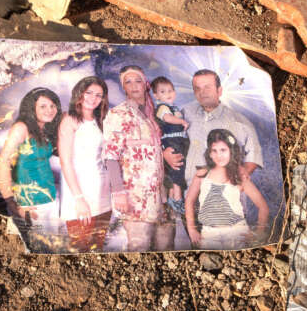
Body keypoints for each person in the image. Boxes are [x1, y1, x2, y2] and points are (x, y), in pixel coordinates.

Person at [102, 65, 173, 251]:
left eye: (138, 80)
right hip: (135, 196)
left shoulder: (152, 114)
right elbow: (110, 155)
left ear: (146, 84)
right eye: (128, 82)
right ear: (123, 87)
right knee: (139, 246)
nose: (133, 86)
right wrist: (118, 192)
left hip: (159, 195)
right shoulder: (118, 113)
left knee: (165, 247)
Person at [0, 88, 62, 243]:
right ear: (32, 107)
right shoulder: (21, 128)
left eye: (53, 105)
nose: (50, 110)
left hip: (49, 198)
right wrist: (10, 201)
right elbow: (2, 162)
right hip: (29, 203)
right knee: (36, 247)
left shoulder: (44, 130)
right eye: (43, 106)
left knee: (53, 248)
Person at [185, 129, 269, 250]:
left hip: (236, 232)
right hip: (209, 233)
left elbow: (263, 206)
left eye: (223, 150)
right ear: (209, 153)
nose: (219, 155)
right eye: (214, 151)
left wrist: (259, 232)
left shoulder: (239, 176)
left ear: (231, 151)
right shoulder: (202, 173)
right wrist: (191, 229)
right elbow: (189, 200)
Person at [57, 76, 113, 252]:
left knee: (98, 245)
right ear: (79, 93)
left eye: (99, 95)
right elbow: (65, 162)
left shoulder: (101, 121)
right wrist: (79, 199)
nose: (93, 98)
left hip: (103, 192)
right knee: (81, 246)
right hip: (80, 193)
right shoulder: (70, 120)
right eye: (89, 92)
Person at [185, 69, 263, 190]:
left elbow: (254, 155)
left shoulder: (239, 122)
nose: (202, 92)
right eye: (197, 88)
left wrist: (239, 181)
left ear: (219, 90)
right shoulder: (186, 114)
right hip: (188, 191)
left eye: (207, 87)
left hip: (224, 197)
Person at [151, 76, 188, 212]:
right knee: (178, 168)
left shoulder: (174, 107)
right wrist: (182, 122)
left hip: (178, 140)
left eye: (170, 90)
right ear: (156, 95)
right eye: (163, 92)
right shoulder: (162, 108)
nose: (168, 94)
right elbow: (167, 118)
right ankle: (178, 198)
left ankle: (173, 198)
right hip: (171, 141)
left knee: (176, 170)